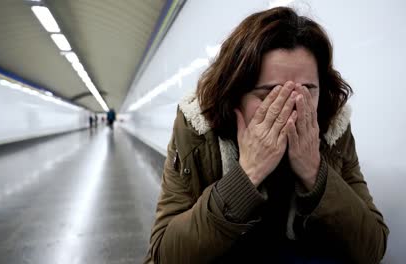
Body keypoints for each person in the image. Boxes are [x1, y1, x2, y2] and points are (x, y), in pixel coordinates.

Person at [145, 7, 389, 264]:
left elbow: (372, 247)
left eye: (307, 92)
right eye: (268, 95)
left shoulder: (332, 127)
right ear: (234, 95)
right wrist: (247, 174)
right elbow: (164, 254)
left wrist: (314, 172)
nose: (291, 110)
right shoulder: (198, 128)